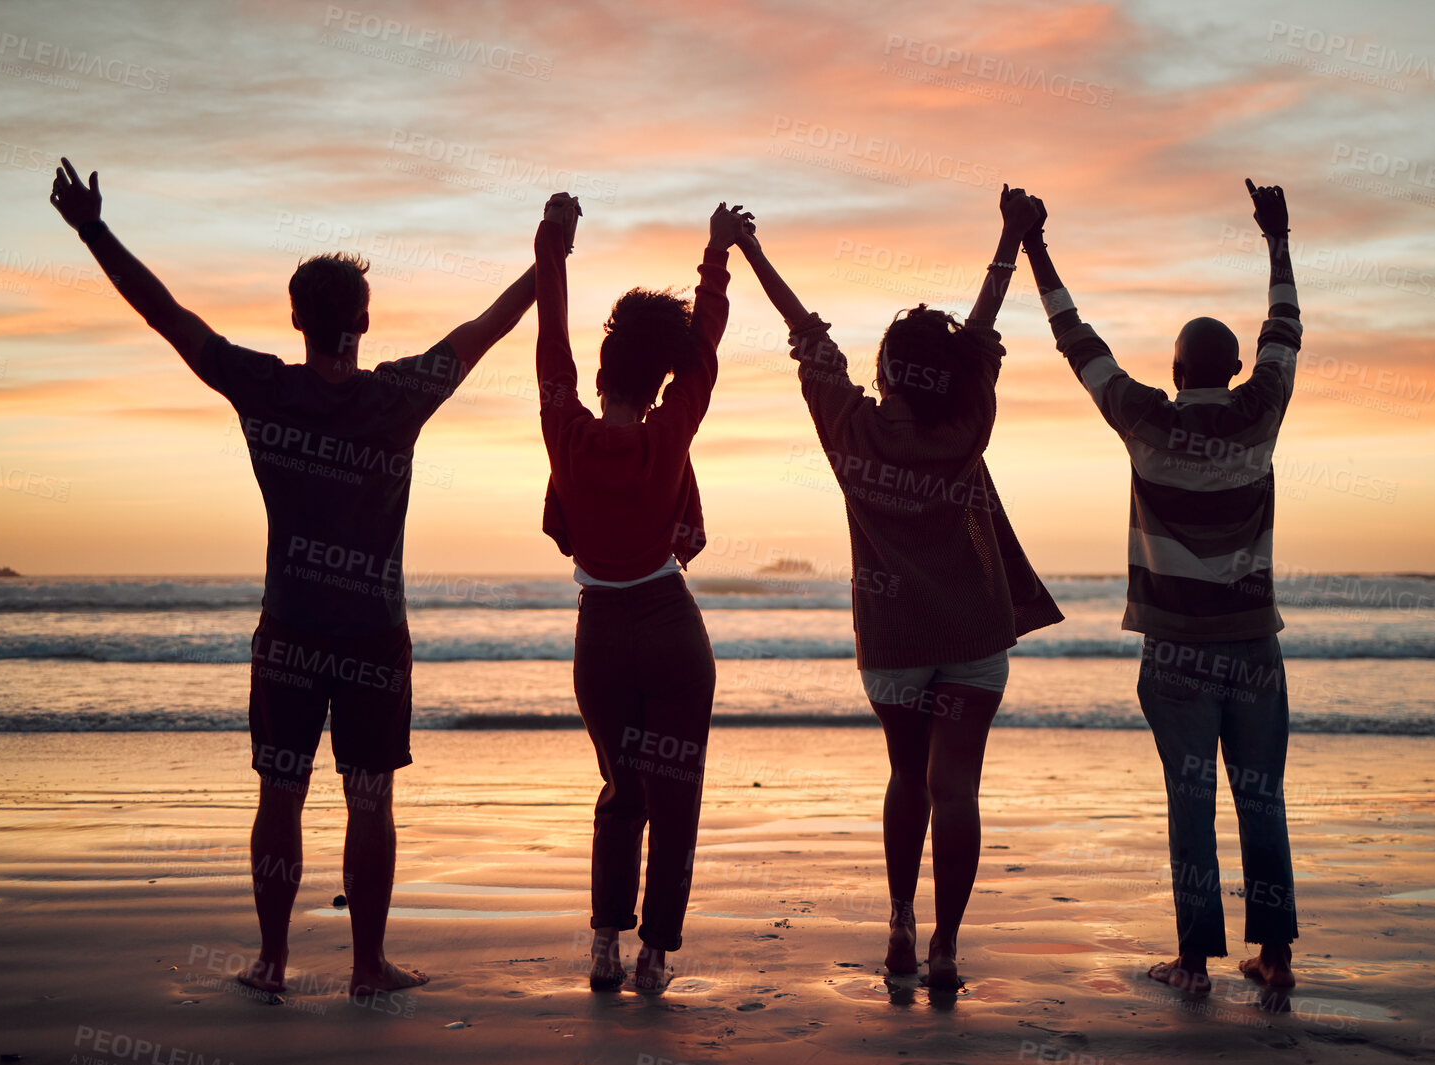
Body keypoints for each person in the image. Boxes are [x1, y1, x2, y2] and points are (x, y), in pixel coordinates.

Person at [49, 157, 548, 998]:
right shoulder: (399, 394)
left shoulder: (264, 387)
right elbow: (490, 323)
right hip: (373, 632)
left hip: (289, 626)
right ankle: (365, 967)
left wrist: (93, 229)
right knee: (368, 797)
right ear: (364, 318)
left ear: (294, 320)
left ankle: (273, 962)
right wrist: (550, 258)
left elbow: (167, 316)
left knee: (280, 791)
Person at [732, 187, 1064, 989]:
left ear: (883, 370)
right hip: (973, 639)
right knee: (957, 788)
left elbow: (804, 333)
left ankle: (899, 925)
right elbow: (981, 331)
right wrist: (1009, 238)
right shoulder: (967, 425)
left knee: (905, 777)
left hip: (890, 644)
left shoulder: (850, 430)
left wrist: (749, 251)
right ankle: (945, 945)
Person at [1019, 179, 1302, 992]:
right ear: (1234, 367)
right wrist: (1276, 239)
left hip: (1176, 652)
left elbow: (1076, 341)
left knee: (1191, 804)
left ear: (1174, 371)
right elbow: (1285, 327)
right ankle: (1275, 958)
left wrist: (1036, 245)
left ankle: (1193, 961)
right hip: (1252, 646)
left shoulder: (1145, 419)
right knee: (1261, 800)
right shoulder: (1260, 412)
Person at [535, 193, 751, 993]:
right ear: (657, 379)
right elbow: (704, 349)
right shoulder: (669, 434)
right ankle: (655, 955)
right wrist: (715, 252)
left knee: (621, 788)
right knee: (676, 795)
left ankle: (603, 945)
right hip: (671, 628)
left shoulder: (566, 428)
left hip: (602, 633)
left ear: (598, 377)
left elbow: (550, 334)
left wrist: (554, 241)